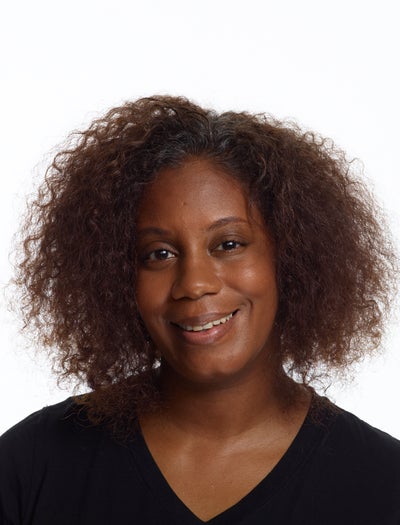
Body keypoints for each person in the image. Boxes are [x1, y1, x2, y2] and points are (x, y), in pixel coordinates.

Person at [0, 95, 399, 524]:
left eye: (228, 244)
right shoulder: (33, 465)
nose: (193, 284)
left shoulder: (384, 484)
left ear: (292, 258)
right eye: (159, 254)